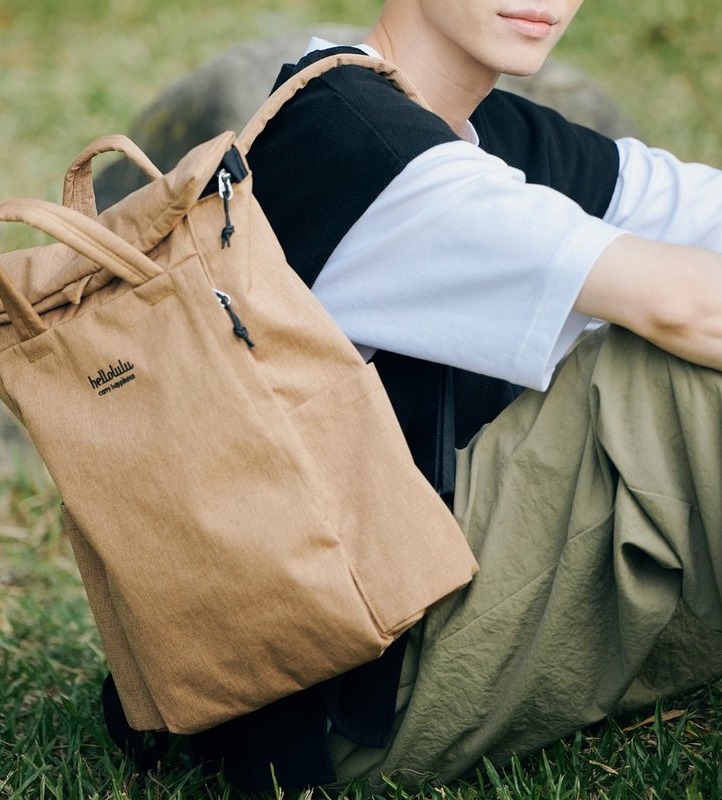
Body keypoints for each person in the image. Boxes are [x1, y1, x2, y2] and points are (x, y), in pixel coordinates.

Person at [187, 0, 722, 792]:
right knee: (674, 372)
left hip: (406, 610)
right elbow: (692, 305)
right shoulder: (360, 144)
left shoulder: (475, 129)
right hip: (345, 701)